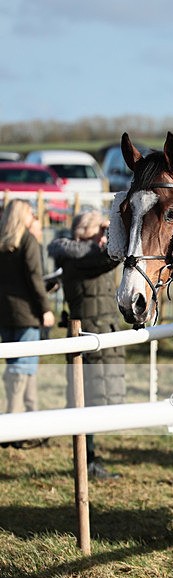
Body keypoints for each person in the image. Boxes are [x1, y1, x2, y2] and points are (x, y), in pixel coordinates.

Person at [48, 211, 125, 479]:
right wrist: (116, 228)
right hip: (90, 336)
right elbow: (109, 258)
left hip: (99, 334)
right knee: (88, 400)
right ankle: (87, 461)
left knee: (95, 399)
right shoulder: (80, 257)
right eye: (100, 230)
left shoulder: (82, 255)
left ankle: (90, 458)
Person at [0, 199, 54, 446]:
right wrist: (45, 309)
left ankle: (30, 421)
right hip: (26, 314)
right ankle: (14, 428)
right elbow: (34, 279)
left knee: (19, 368)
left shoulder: (4, 243)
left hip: (6, 313)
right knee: (23, 370)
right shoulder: (27, 242)